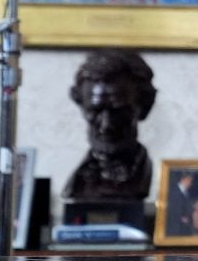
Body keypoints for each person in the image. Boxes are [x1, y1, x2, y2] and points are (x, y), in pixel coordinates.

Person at [62, 50, 158, 201]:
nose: (106, 126)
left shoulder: (142, 175)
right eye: (94, 111)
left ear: (145, 107)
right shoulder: (79, 181)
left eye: (118, 112)